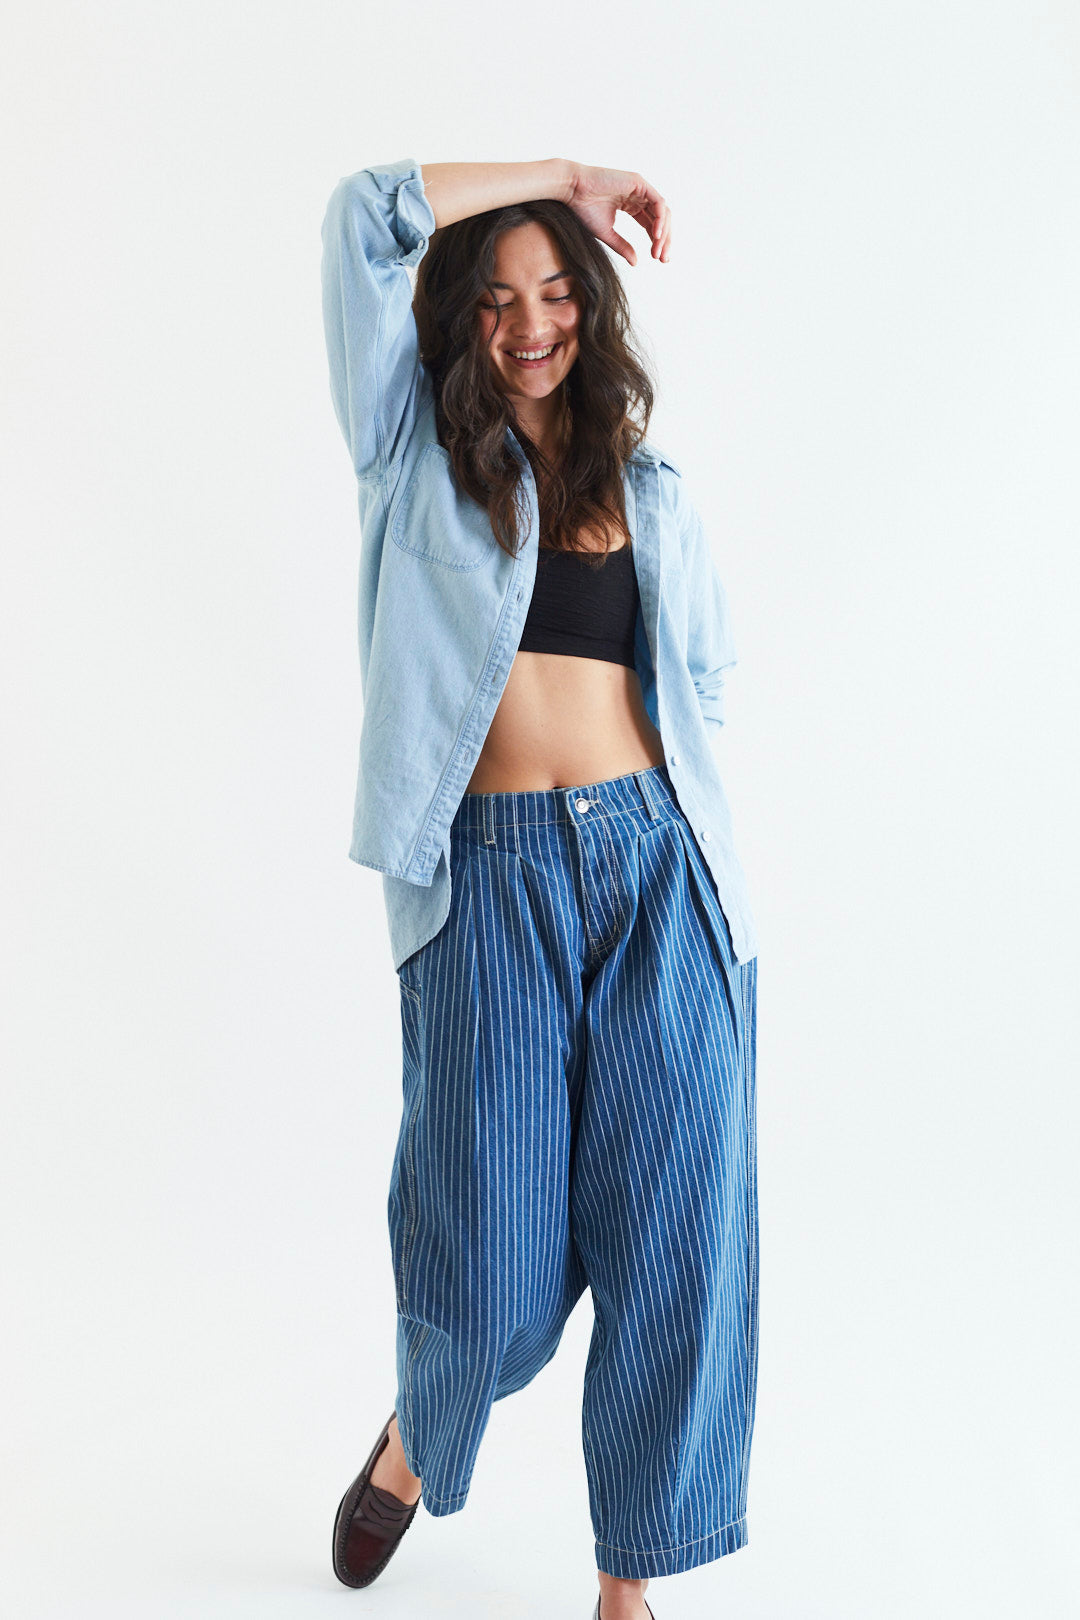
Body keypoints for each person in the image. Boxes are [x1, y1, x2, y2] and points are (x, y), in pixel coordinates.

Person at [320, 156, 760, 1620]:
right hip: (489, 894)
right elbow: (361, 216)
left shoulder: (650, 487)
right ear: (464, 318)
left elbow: (698, 691)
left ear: (594, 309)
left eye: (559, 289)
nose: (531, 322)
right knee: (494, 1269)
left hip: (659, 882)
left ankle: (629, 1585)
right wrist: (561, 178)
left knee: (673, 1242)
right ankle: (417, 1427)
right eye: (500, 296)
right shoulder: (407, 452)